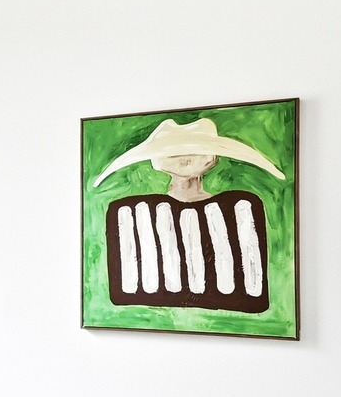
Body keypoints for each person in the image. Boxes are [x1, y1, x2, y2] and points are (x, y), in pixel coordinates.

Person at [91, 117, 286, 313]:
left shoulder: (241, 207)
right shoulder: (131, 213)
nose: (184, 157)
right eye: (172, 153)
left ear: (212, 159)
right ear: (157, 162)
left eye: (196, 151)